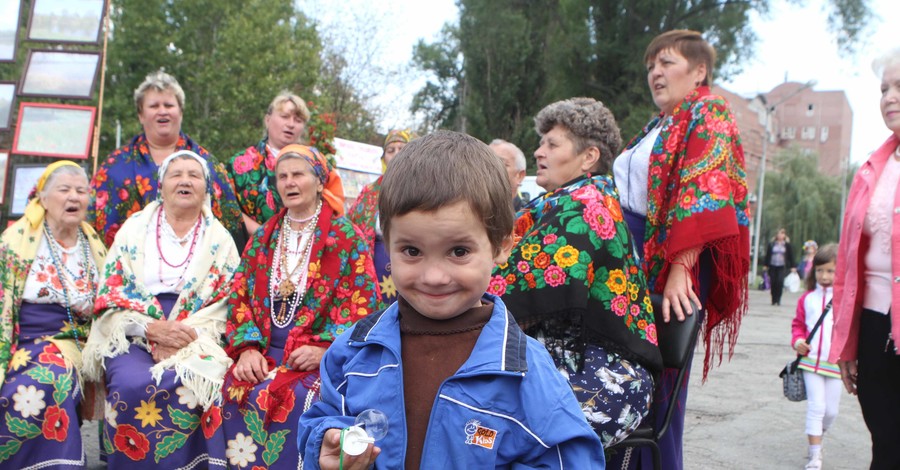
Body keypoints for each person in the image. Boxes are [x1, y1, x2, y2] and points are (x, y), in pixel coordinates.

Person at [300, 130, 604, 469]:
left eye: (458, 251)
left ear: (502, 245)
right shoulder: (353, 352)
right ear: (388, 243)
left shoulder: (525, 371)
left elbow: (570, 459)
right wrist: (326, 444)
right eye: (411, 251)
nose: (434, 276)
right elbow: (322, 417)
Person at [612, 30, 750, 469]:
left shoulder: (708, 110)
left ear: (699, 71)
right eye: (651, 65)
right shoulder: (659, 124)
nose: (655, 72)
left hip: (670, 259)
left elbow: (704, 187)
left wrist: (681, 267)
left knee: (659, 383)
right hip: (633, 257)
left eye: (667, 62)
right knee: (625, 378)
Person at [491, 97, 662, 448]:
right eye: (541, 142)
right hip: (557, 364)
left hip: (607, 375)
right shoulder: (556, 202)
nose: (540, 151)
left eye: (552, 144)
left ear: (589, 157)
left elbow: (511, 287)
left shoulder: (587, 205)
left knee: (509, 437)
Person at [223, 144, 378, 469]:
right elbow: (239, 295)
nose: (289, 182)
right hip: (264, 351)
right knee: (229, 390)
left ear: (320, 181)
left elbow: (364, 308)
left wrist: (326, 351)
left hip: (320, 357)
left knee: (303, 399)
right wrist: (247, 349)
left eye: (298, 174)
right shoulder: (265, 236)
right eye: (282, 176)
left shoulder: (346, 237)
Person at [82, 151, 240, 468]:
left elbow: (230, 299)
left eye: (194, 175)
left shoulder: (220, 238)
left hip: (196, 332)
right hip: (134, 331)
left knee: (199, 379)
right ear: (161, 185)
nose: (184, 180)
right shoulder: (134, 229)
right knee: (129, 384)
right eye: (176, 174)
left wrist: (183, 335)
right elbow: (111, 293)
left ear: (206, 187)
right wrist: (151, 330)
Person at [0, 162, 107, 468]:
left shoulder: (94, 244)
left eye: (81, 191)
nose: (73, 197)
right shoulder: (15, 240)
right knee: (16, 389)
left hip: (78, 339)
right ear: (43, 199)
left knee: (50, 378)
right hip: (24, 336)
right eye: (64, 190)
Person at [831, 47, 900, 470]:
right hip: (875, 326)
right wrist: (847, 340)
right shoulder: (872, 169)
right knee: (885, 444)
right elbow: (845, 267)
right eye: (884, 89)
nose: (890, 97)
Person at [89, 69, 244, 248]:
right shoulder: (114, 167)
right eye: (154, 106)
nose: (162, 111)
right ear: (141, 115)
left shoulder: (208, 165)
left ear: (181, 112)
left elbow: (231, 230)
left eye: (169, 105)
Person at [347, 129, 417, 309]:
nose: (395, 154)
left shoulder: (422, 187)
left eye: (402, 148)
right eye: (390, 150)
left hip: (412, 259)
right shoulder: (370, 192)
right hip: (375, 262)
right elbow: (352, 225)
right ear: (383, 157)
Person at [226, 91, 310, 236]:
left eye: (298, 120)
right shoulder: (240, 163)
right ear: (267, 120)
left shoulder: (314, 165)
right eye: (284, 117)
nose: (290, 124)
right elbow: (227, 207)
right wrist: (264, 235)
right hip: (251, 247)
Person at [790, 243, 840, 470]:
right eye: (820, 270)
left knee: (831, 411)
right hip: (810, 363)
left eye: (830, 270)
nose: (824, 275)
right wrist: (798, 341)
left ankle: (817, 437)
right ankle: (815, 455)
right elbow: (798, 326)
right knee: (817, 407)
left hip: (835, 364)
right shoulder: (807, 299)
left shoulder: (845, 301)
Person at [489, 138, 527, 210]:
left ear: (519, 176)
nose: (489, 168)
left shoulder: (529, 218)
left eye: (500, 163)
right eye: (485, 163)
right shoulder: (470, 213)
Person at [765, 228, 796, 306]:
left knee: (779, 281)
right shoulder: (772, 244)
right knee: (773, 282)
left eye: (782, 233)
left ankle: (778, 299)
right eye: (778, 233)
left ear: (784, 235)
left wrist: (793, 266)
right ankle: (773, 298)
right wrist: (765, 265)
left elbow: (791, 256)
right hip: (772, 265)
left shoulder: (787, 245)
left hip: (782, 266)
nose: (780, 235)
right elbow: (768, 255)